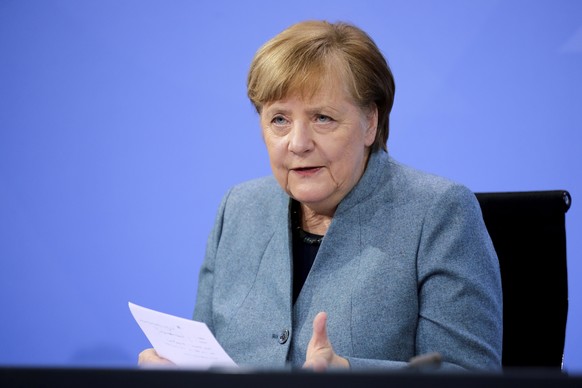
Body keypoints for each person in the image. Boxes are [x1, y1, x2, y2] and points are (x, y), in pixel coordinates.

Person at [139, 20, 502, 371]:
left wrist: (347, 371)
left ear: (370, 123)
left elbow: (467, 373)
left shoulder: (438, 213)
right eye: (279, 119)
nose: (298, 144)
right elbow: (206, 355)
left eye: (322, 118)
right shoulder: (239, 208)